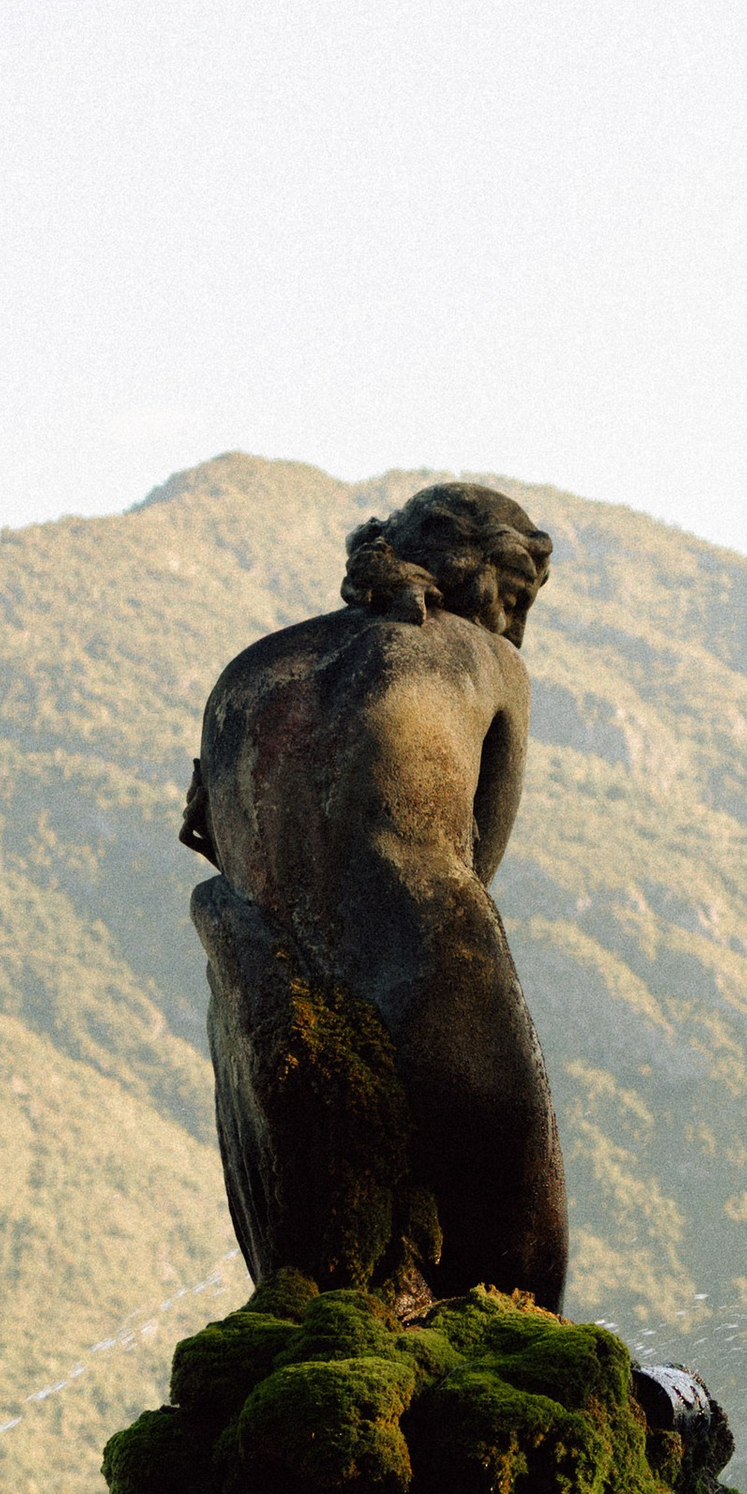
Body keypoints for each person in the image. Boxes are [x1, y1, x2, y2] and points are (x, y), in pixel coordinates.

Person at [180, 480, 568, 1309]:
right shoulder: (483, 659)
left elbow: (221, 843)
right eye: (520, 598)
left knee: (336, 1292)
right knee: (511, 1299)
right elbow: (475, 855)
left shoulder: (247, 672)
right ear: (488, 576)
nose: (522, 628)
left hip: (272, 998)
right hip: (432, 970)